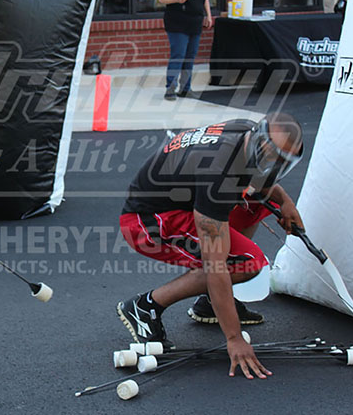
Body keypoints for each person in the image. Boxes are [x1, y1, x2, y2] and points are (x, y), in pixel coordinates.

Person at [116, 113, 305, 379]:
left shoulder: (246, 132)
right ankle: (145, 306)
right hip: (145, 223)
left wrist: (285, 201)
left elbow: (262, 178)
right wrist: (234, 338)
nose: (274, 167)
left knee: (256, 203)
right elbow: (216, 265)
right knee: (246, 262)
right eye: (271, 157)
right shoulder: (217, 176)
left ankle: (210, 302)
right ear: (258, 142)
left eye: (283, 163)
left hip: (184, 202)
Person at [157, 0, 213, 101]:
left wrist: (208, 15)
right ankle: (170, 88)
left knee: (190, 56)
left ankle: (185, 88)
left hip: (195, 23)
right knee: (178, 55)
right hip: (177, 23)